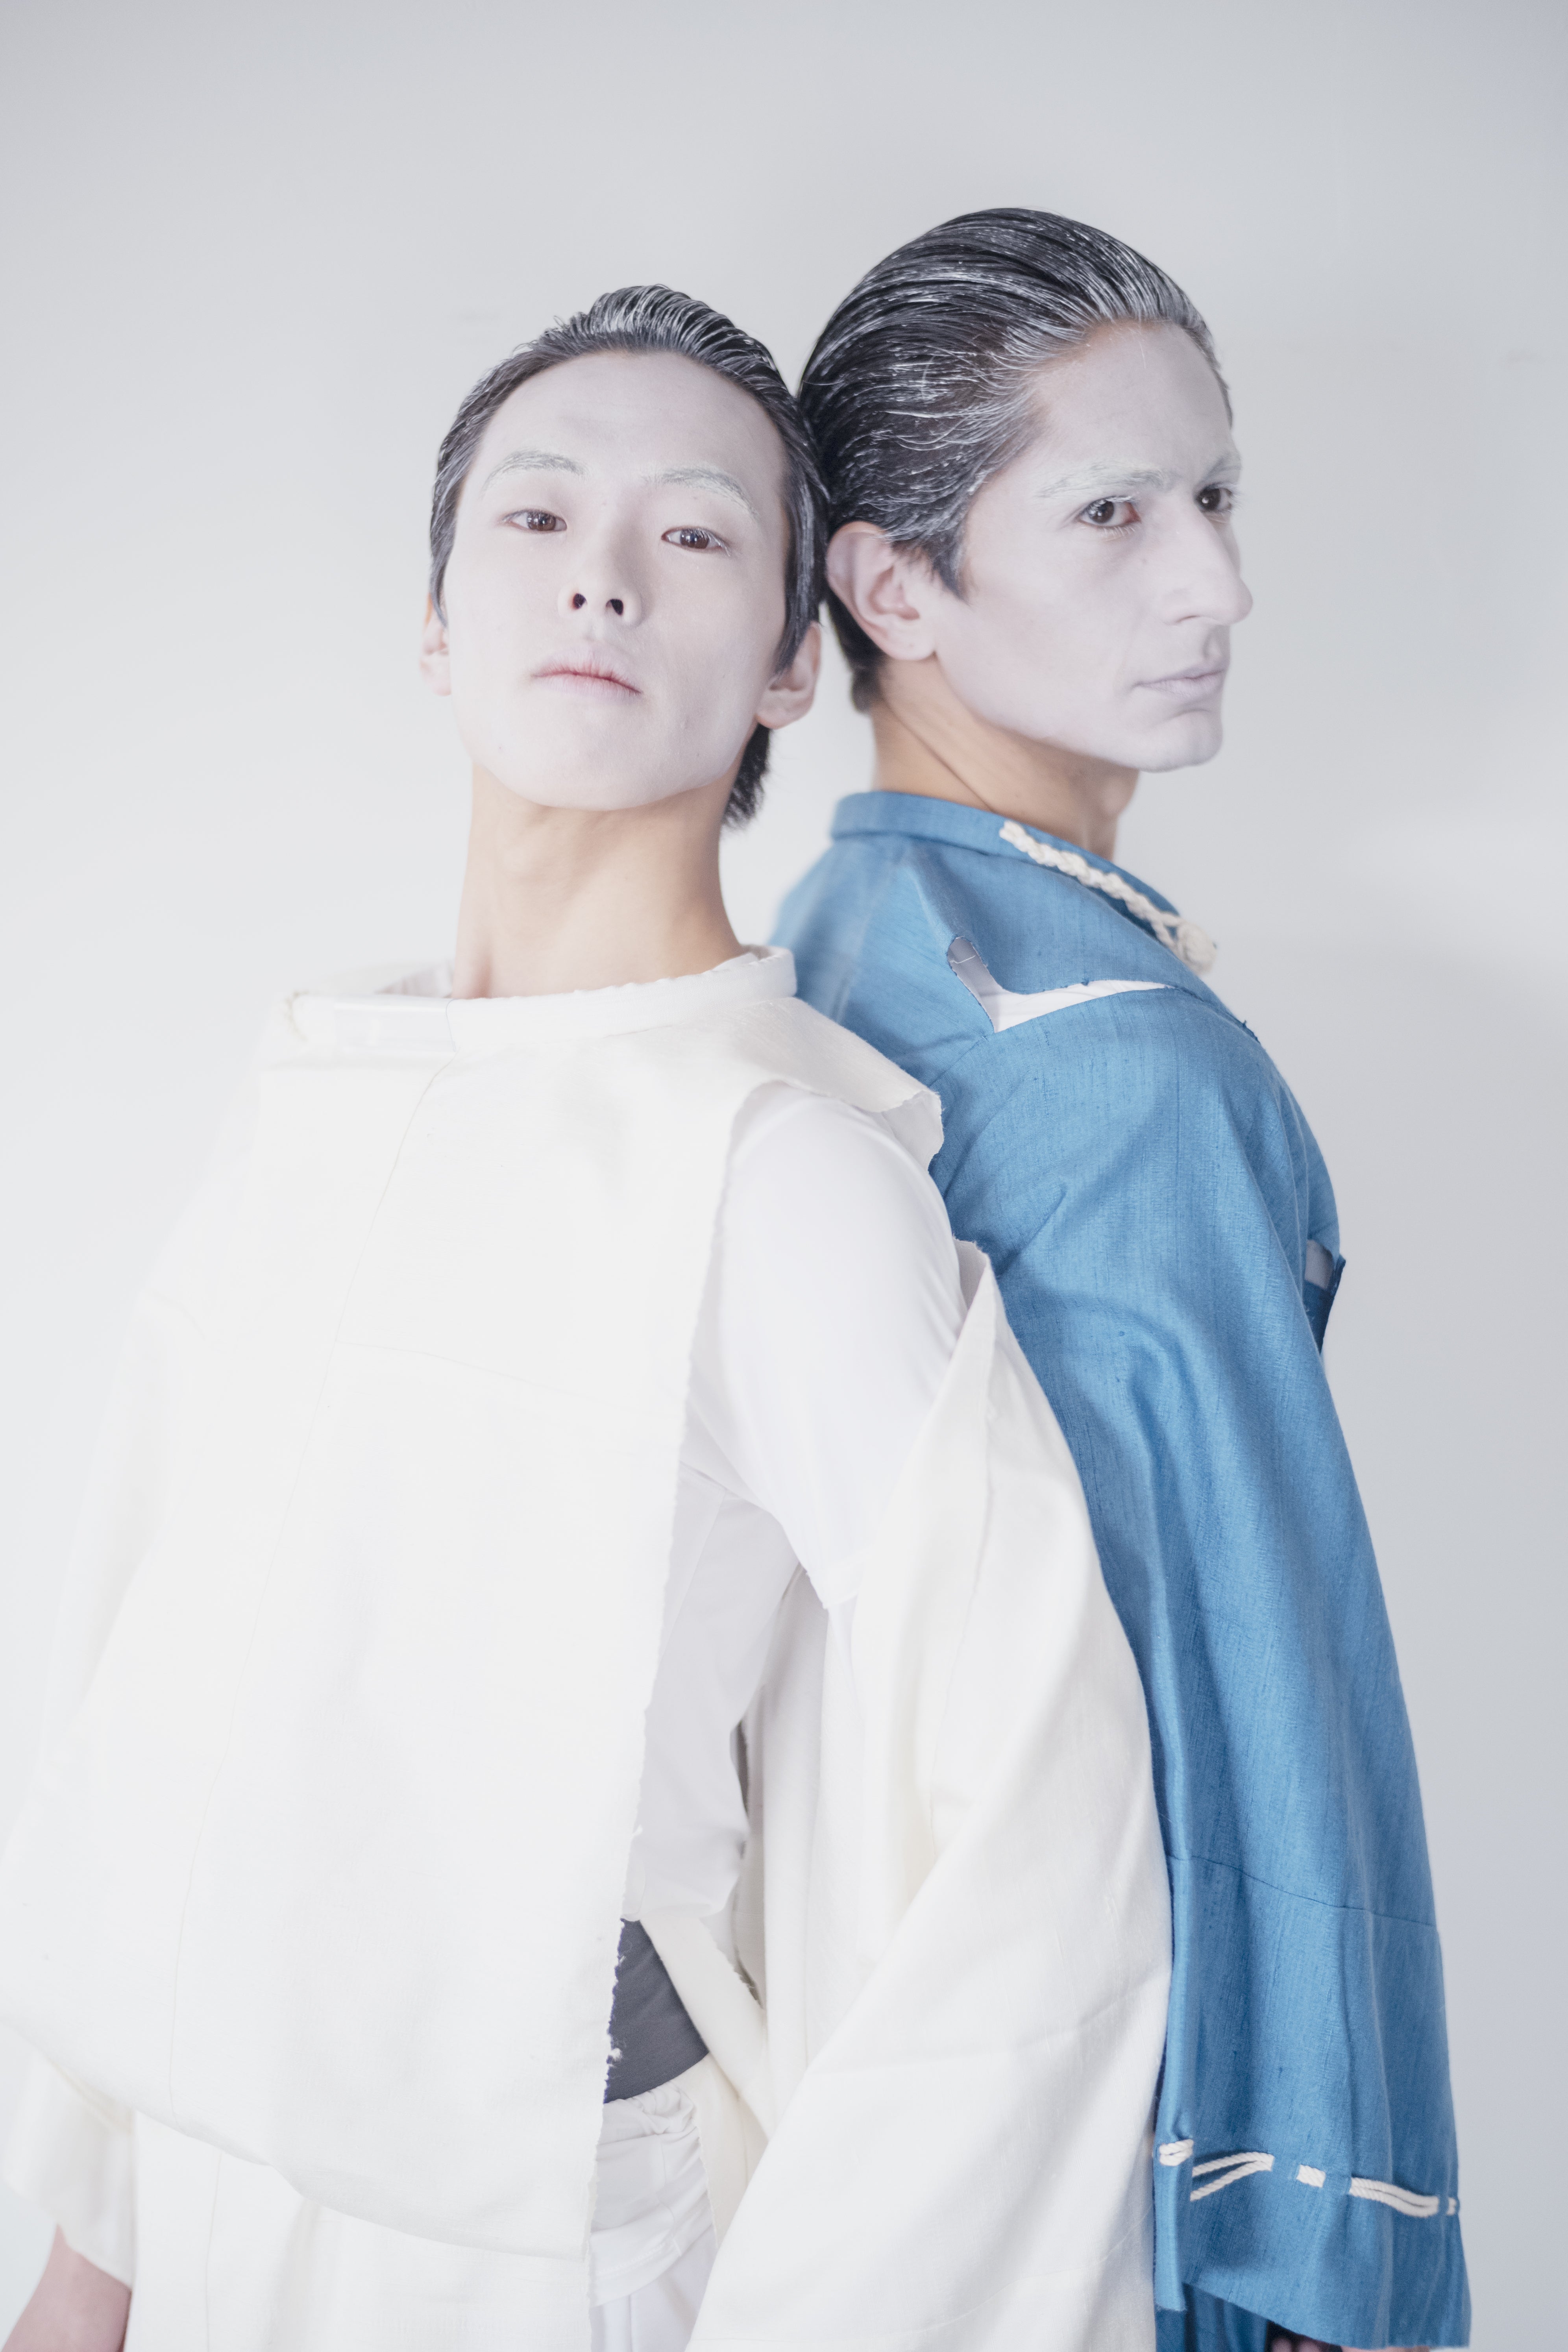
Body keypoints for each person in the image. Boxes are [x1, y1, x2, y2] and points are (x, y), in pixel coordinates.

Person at [0, 285, 1171, 2352]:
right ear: (436, 621)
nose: (603, 578)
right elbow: (158, 1709)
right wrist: (86, 2265)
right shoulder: (320, 1089)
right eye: (535, 515)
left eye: (696, 533)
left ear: (797, 657)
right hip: (212, 2208)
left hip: (541, 2244)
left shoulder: (776, 1171)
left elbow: (1040, 1825)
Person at [775, 210, 1468, 2352]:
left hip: (894, 2094)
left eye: (1218, 497)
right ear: (893, 586)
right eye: (1113, 513)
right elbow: (1248, 1676)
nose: (1217, 584)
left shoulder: (830, 956)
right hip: (1141, 2159)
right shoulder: (1110, 1059)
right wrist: (1326, 2224)